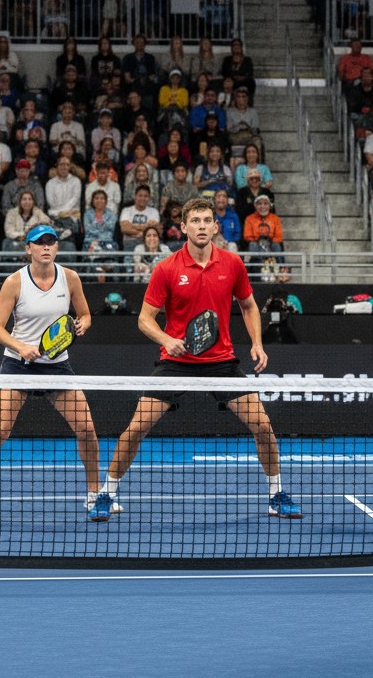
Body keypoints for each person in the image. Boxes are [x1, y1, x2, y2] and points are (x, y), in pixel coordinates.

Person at [96, 198, 298, 519]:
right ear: (184, 227)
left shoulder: (232, 264)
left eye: (207, 221)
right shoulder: (167, 268)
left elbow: (248, 305)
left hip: (222, 362)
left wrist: (257, 344)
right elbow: (145, 319)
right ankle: (106, 493)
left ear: (215, 227)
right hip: (176, 361)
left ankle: (276, 494)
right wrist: (167, 340)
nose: (202, 226)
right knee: (135, 429)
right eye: (195, 221)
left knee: (262, 427)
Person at [0, 225, 99, 521]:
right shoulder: (14, 282)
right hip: (18, 365)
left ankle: (94, 496)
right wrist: (21, 346)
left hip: (57, 366)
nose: (46, 247)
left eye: (51, 242)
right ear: (28, 248)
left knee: (87, 430)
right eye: (39, 242)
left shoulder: (70, 278)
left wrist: (83, 324)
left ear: (56, 247)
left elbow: (85, 314)